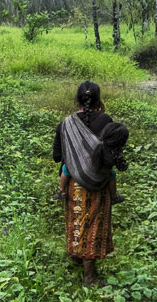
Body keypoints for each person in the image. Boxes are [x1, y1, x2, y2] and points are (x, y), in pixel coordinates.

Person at [51, 81, 130, 286]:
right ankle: (90, 276)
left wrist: (76, 157)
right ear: (98, 100)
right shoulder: (106, 120)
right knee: (93, 225)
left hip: (73, 184)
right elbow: (112, 151)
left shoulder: (65, 124)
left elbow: (57, 156)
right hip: (99, 185)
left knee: (77, 223)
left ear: (77, 99)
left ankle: (78, 258)